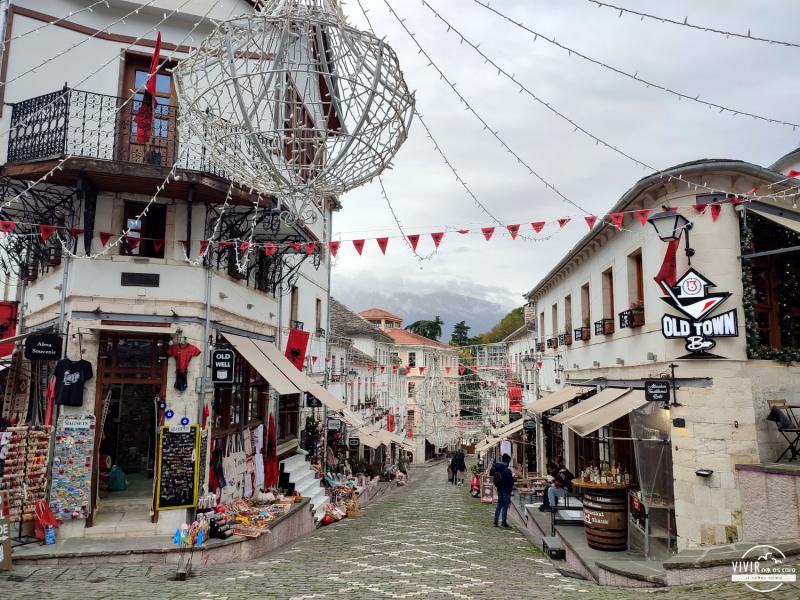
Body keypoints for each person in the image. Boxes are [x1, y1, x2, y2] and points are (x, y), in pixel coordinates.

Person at [490, 453, 515, 528]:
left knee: (499, 505)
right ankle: (503, 522)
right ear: (508, 461)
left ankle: (495, 521)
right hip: (506, 490)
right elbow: (511, 481)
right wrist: (513, 479)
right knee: (505, 506)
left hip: (499, 489)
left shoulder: (497, 467)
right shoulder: (507, 471)